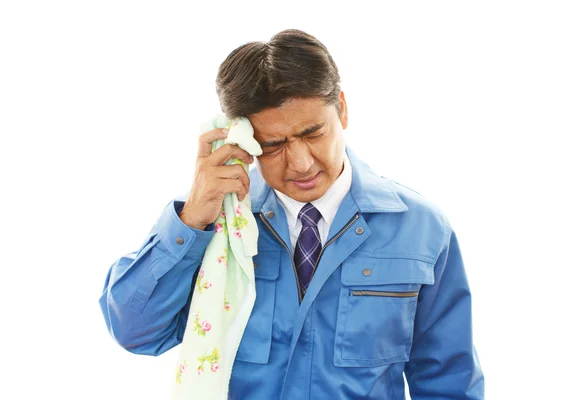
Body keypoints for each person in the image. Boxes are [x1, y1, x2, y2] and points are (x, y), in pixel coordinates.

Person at [99, 29, 484, 399]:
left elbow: (448, 382)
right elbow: (135, 332)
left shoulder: (421, 228)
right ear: (242, 139)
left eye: (314, 133)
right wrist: (192, 220)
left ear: (343, 109)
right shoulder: (211, 222)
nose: (300, 163)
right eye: (273, 145)